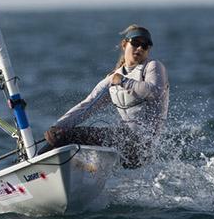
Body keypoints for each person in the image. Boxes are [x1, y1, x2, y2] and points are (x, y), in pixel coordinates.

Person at [43, 25, 169, 168]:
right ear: (124, 44)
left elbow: (155, 91)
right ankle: (34, 166)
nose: (140, 48)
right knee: (61, 136)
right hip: (123, 143)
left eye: (145, 46)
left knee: (68, 137)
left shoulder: (153, 67)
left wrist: (123, 81)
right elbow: (88, 105)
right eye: (135, 43)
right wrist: (58, 126)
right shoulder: (113, 78)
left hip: (142, 147)